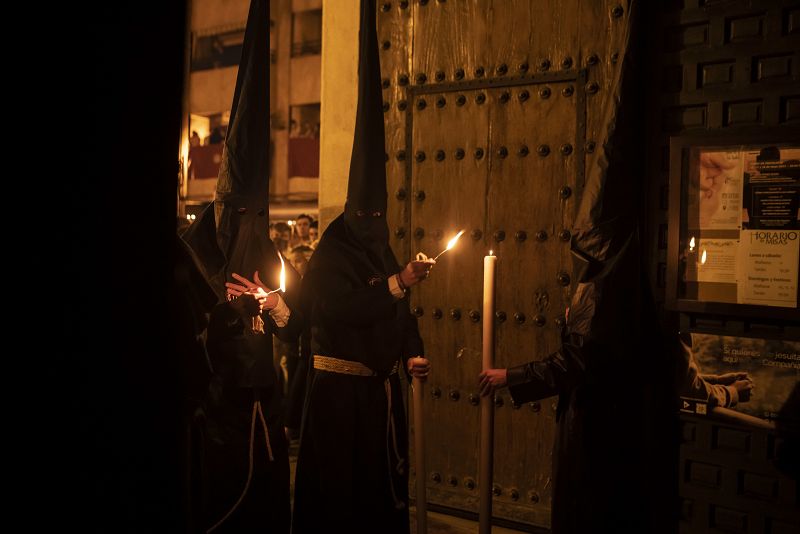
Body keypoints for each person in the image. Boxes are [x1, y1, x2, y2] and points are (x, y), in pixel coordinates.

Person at [292, 1, 431, 532]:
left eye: (380, 215)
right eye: (365, 214)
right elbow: (343, 307)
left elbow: (401, 311)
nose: (374, 222)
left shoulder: (378, 245)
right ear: (350, 212)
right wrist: (396, 283)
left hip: (376, 397)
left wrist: (413, 351)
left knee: (375, 497)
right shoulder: (331, 254)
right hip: (335, 401)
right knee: (337, 501)